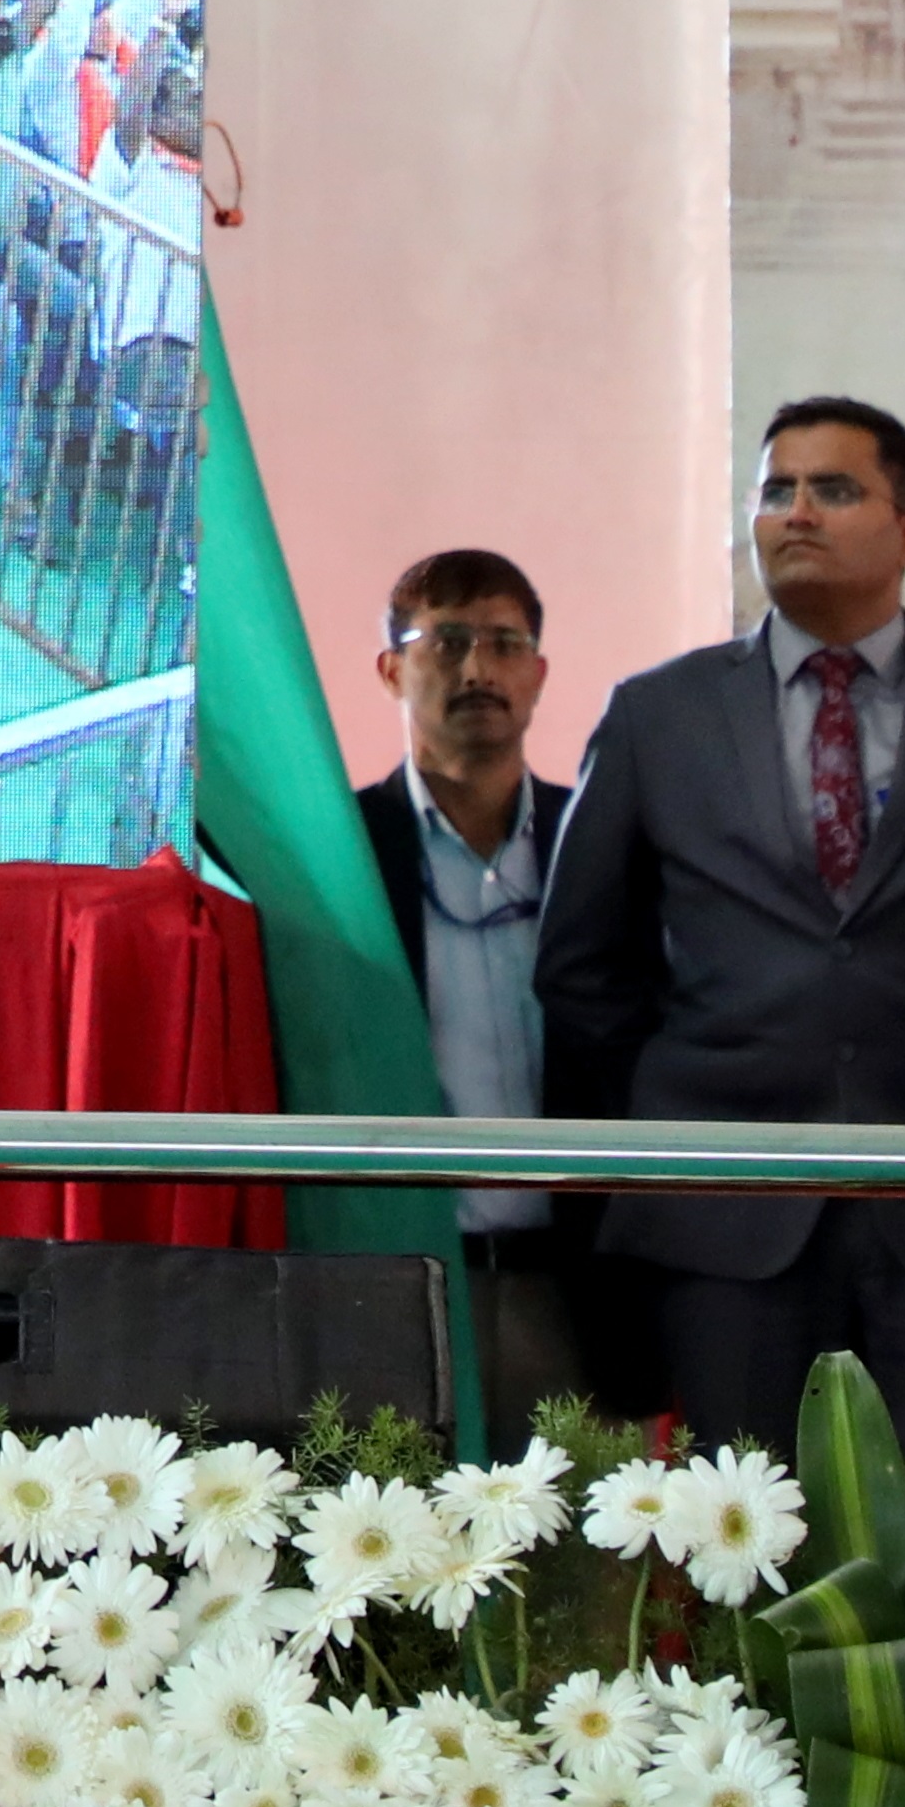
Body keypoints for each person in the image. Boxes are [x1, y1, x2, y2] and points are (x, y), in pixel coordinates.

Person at [537, 397, 905, 1447]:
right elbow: (577, 967)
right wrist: (683, 1110)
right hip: (723, 1217)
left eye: (832, 489)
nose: (794, 512)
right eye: (773, 490)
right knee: (743, 1558)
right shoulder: (659, 714)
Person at [355, 545, 576, 1439]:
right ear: (391, 668)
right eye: (445, 642)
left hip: (576, 1292)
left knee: (593, 1569)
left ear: (538, 671)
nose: (478, 668)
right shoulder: (344, 851)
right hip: (407, 1287)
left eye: (502, 642)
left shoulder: (598, 838)